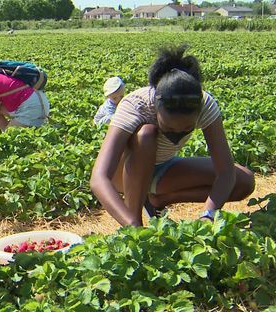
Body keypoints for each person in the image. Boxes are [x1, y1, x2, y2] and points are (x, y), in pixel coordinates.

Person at [90, 45, 255, 227]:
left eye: (186, 129)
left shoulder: (205, 104)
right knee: (146, 134)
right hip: (123, 174)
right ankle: (135, 217)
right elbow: (99, 178)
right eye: (168, 127)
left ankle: (158, 200)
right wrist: (133, 228)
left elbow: (225, 172)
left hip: (162, 168)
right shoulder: (136, 105)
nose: (176, 134)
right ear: (156, 107)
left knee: (244, 181)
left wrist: (208, 214)